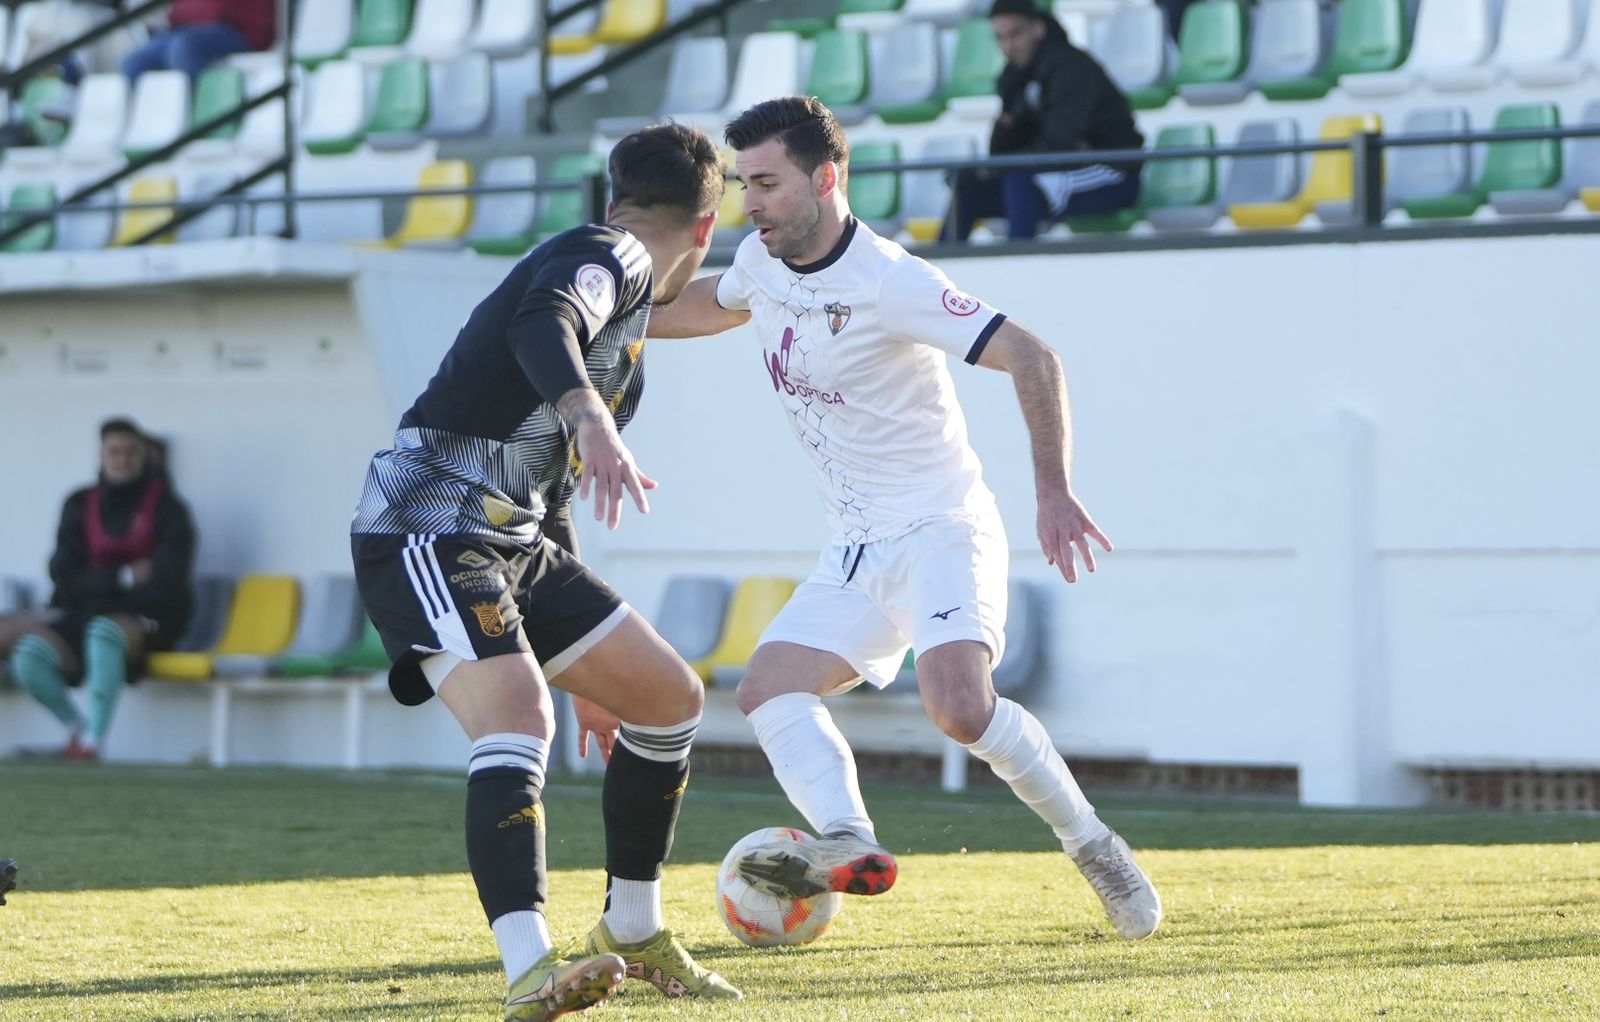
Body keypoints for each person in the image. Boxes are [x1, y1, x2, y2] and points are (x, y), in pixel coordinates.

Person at [649, 96, 1163, 941]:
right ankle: (849, 841)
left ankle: (1096, 846)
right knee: (768, 687)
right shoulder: (764, 261)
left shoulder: (892, 281)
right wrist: (608, 319)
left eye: (768, 183)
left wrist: (1053, 490)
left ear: (826, 177)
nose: (753, 203)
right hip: (853, 547)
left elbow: (1032, 355)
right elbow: (718, 300)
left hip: (941, 528)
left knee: (960, 708)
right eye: (744, 184)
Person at [349, 123, 742, 1022]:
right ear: (704, 227)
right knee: (518, 717)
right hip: (427, 520)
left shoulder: (623, 292)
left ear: (618, 197)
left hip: (516, 537)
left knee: (667, 698)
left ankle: (632, 928)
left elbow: (547, 466)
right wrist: (593, 417)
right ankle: (530, 970)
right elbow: (546, 320)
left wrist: (587, 668)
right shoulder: (607, 253)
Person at [7, 417, 196, 762]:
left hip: (148, 618)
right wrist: (121, 578)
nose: (122, 459)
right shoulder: (78, 504)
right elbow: (62, 574)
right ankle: (76, 729)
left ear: (144, 457)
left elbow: (166, 580)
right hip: (84, 610)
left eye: (130, 452)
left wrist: (97, 584)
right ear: (101, 455)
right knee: (27, 656)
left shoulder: (169, 509)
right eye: (114, 451)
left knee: (103, 631)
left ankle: (94, 741)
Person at [941, 0, 1145, 241]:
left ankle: (1018, 265)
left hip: (1111, 172)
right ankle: (932, 275)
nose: (1008, 46)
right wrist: (1006, 128)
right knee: (967, 189)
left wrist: (997, 167)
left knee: (1020, 181)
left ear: (1038, 28)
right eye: (1000, 38)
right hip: (1055, 172)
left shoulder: (1072, 69)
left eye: (1015, 34)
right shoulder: (1016, 76)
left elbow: (1059, 145)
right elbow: (1003, 151)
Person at [120, 0, 274, 82]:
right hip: (189, 30)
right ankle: (150, 126)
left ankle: (195, 121)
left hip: (240, 32)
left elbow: (216, 12)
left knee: (183, 48)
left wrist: (171, 16)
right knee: (135, 61)